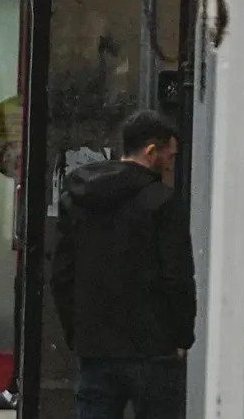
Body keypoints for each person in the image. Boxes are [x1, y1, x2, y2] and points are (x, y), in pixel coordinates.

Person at [52, 110, 195, 419]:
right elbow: (177, 278)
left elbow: (62, 275)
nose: (170, 164)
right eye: (169, 156)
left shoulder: (78, 198)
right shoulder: (163, 202)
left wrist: (77, 333)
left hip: (96, 347)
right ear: (151, 151)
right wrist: (182, 336)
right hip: (153, 348)